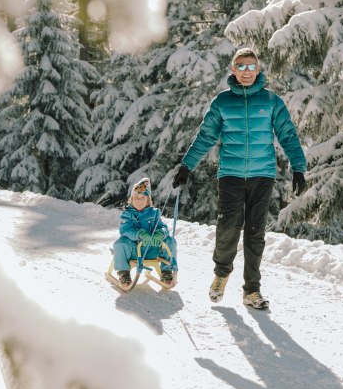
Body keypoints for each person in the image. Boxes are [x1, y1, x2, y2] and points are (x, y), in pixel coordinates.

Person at [172, 47, 306, 309]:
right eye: (241, 67)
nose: (246, 72)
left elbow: (287, 135)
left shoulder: (271, 101)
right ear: (233, 70)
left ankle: (251, 291)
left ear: (258, 70)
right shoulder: (222, 102)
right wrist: (187, 165)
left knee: (255, 233)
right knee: (228, 228)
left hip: (262, 175)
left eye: (251, 67)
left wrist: (298, 167)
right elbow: (206, 137)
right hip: (231, 175)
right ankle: (221, 275)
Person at [113, 177, 177, 289]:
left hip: (153, 249)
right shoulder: (127, 214)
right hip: (134, 250)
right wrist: (139, 234)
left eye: (142, 197)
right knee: (120, 243)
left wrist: (160, 234)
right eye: (136, 197)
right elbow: (125, 229)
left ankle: (166, 271)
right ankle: (123, 273)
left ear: (148, 200)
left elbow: (163, 227)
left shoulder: (155, 213)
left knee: (170, 241)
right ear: (131, 199)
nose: (139, 200)